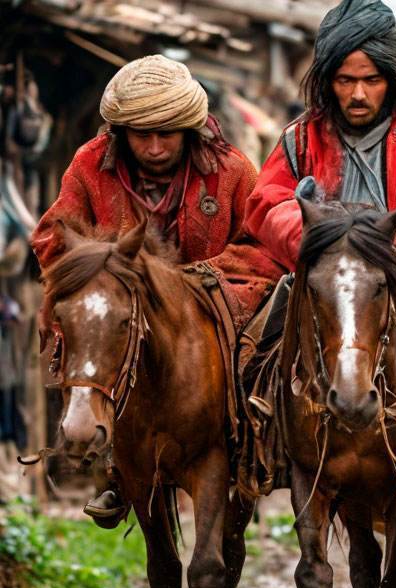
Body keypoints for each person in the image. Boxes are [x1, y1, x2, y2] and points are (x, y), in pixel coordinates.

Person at [30, 55, 280, 527]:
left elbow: (261, 243)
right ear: (120, 132)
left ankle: (251, 445)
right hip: (121, 313)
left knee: (256, 358)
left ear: (189, 129)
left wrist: (202, 279)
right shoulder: (89, 164)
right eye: (141, 133)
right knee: (94, 346)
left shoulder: (229, 169)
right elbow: (52, 235)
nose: (154, 145)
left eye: (167, 132)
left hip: (209, 308)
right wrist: (97, 269)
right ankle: (114, 465)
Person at [244, 0, 396, 279]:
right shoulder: (302, 139)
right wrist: (314, 233)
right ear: (329, 82)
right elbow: (266, 206)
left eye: (372, 80)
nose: (359, 94)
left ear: (391, 80)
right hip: (321, 280)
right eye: (346, 81)